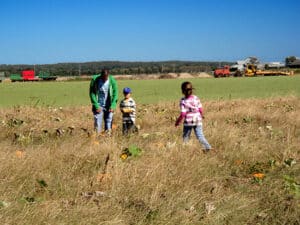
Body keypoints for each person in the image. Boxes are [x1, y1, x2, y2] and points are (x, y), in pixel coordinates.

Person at [175, 81, 212, 152]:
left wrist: (178, 121)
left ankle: (185, 150)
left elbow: (183, 113)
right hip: (198, 120)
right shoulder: (196, 98)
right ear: (192, 90)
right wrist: (201, 115)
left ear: (182, 91)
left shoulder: (183, 101)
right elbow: (200, 109)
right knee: (200, 135)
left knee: (186, 136)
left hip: (188, 122)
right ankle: (207, 147)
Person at [89, 68, 118, 134]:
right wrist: (96, 105)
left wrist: (113, 105)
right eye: (103, 78)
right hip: (99, 105)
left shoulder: (112, 80)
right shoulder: (95, 80)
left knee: (108, 122)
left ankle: (107, 138)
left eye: (106, 78)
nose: (104, 80)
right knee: (97, 123)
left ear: (108, 76)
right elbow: (92, 93)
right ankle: (98, 137)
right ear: (101, 75)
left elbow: (115, 93)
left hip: (109, 105)